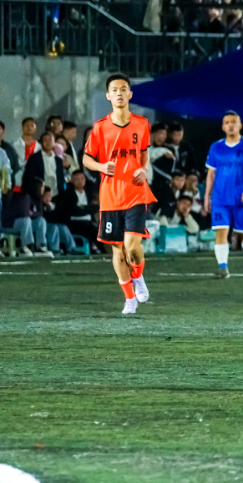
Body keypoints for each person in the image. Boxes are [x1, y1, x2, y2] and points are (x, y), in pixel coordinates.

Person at [83, 74, 157, 314]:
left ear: (130, 94)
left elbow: (144, 155)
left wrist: (144, 170)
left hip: (135, 193)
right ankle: (129, 299)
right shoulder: (100, 128)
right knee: (117, 249)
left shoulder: (142, 124)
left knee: (132, 247)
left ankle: (138, 276)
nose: (119, 93)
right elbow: (86, 158)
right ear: (108, 95)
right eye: (114, 89)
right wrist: (101, 166)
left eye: (123, 89)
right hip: (110, 197)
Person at [204, 112, 243, 278]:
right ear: (223, 127)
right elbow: (211, 173)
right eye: (227, 122)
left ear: (240, 125)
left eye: (234, 122)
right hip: (220, 198)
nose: (230, 125)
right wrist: (207, 196)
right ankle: (223, 268)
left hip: (241, 198)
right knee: (221, 231)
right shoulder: (216, 147)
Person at [58, 169, 101, 250]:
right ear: (72, 180)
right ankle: (100, 249)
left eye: (82, 178)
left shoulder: (89, 193)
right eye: (77, 179)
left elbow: (95, 207)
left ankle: (97, 247)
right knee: (92, 230)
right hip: (74, 222)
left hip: (89, 221)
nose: (80, 181)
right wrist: (87, 209)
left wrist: (83, 207)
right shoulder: (68, 194)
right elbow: (73, 210)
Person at [23, 131, 66, 198]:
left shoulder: (58, 160)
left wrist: (63, 191)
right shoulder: (34, 158)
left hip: (56, 195)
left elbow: (61, 179)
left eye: (50, 140)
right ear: (41, 142)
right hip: (40, 195)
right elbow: (28, 177)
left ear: (54, 142)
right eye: (45, 140)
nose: (48, 142)